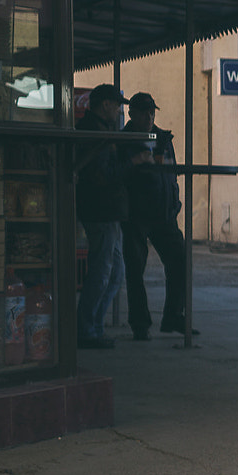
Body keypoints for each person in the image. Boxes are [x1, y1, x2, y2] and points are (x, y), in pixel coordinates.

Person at [75, 84, 141, 349]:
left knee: (114, 274)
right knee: (103, 273)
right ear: (105, 105)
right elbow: (103, 176)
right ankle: (87, 329)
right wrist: (133, 163)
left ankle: (94, 327)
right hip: (101, 211)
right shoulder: (95, 133)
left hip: (107, 211)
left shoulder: (100, 130)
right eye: (117, 105)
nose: (119, 110)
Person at [121, 92, 190, 340]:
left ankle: (173, 315)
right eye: (144, 112)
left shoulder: (163, 138)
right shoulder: (123, 140)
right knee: (135, 269)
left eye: (152, 112)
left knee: (180, 260)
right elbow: (118, 174)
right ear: (132, 114)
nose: (149, 117)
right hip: (136, 215)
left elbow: (170, 173)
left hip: (164, 213)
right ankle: (140, 323)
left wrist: (174, 202)